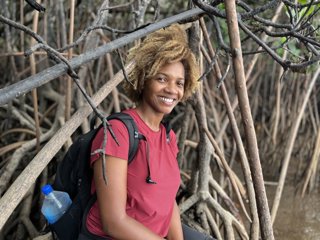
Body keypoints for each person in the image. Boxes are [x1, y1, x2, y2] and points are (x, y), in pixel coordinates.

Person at [78, 24, 215, 240]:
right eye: (161, 79)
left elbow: (166, 199)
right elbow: (114, 222)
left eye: (179, 83)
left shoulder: (168, 137)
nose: (171, 89)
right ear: (144, 80)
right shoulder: (117, 132)